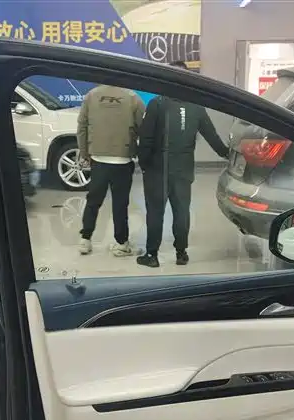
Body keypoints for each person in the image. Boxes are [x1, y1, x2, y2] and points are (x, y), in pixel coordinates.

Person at [136, 61, 229, 268]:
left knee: (155, 212)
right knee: (181, 211)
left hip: (157, 170)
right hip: (184, 169)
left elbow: (146, 139)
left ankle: (152, 255)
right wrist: (228, 154)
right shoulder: (196, 107)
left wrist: (144, 164)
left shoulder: (157, 104)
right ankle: (181, 253)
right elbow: (212, 136)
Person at [76, 84, 145, 256]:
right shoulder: (133, 98)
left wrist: (84, 153)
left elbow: (82, 126)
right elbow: (144, 129)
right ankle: (121, 243)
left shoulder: (91, 95)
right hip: (123, 159)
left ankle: (85, 239)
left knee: (93, 201)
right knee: (120, 204)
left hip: (98, 158)